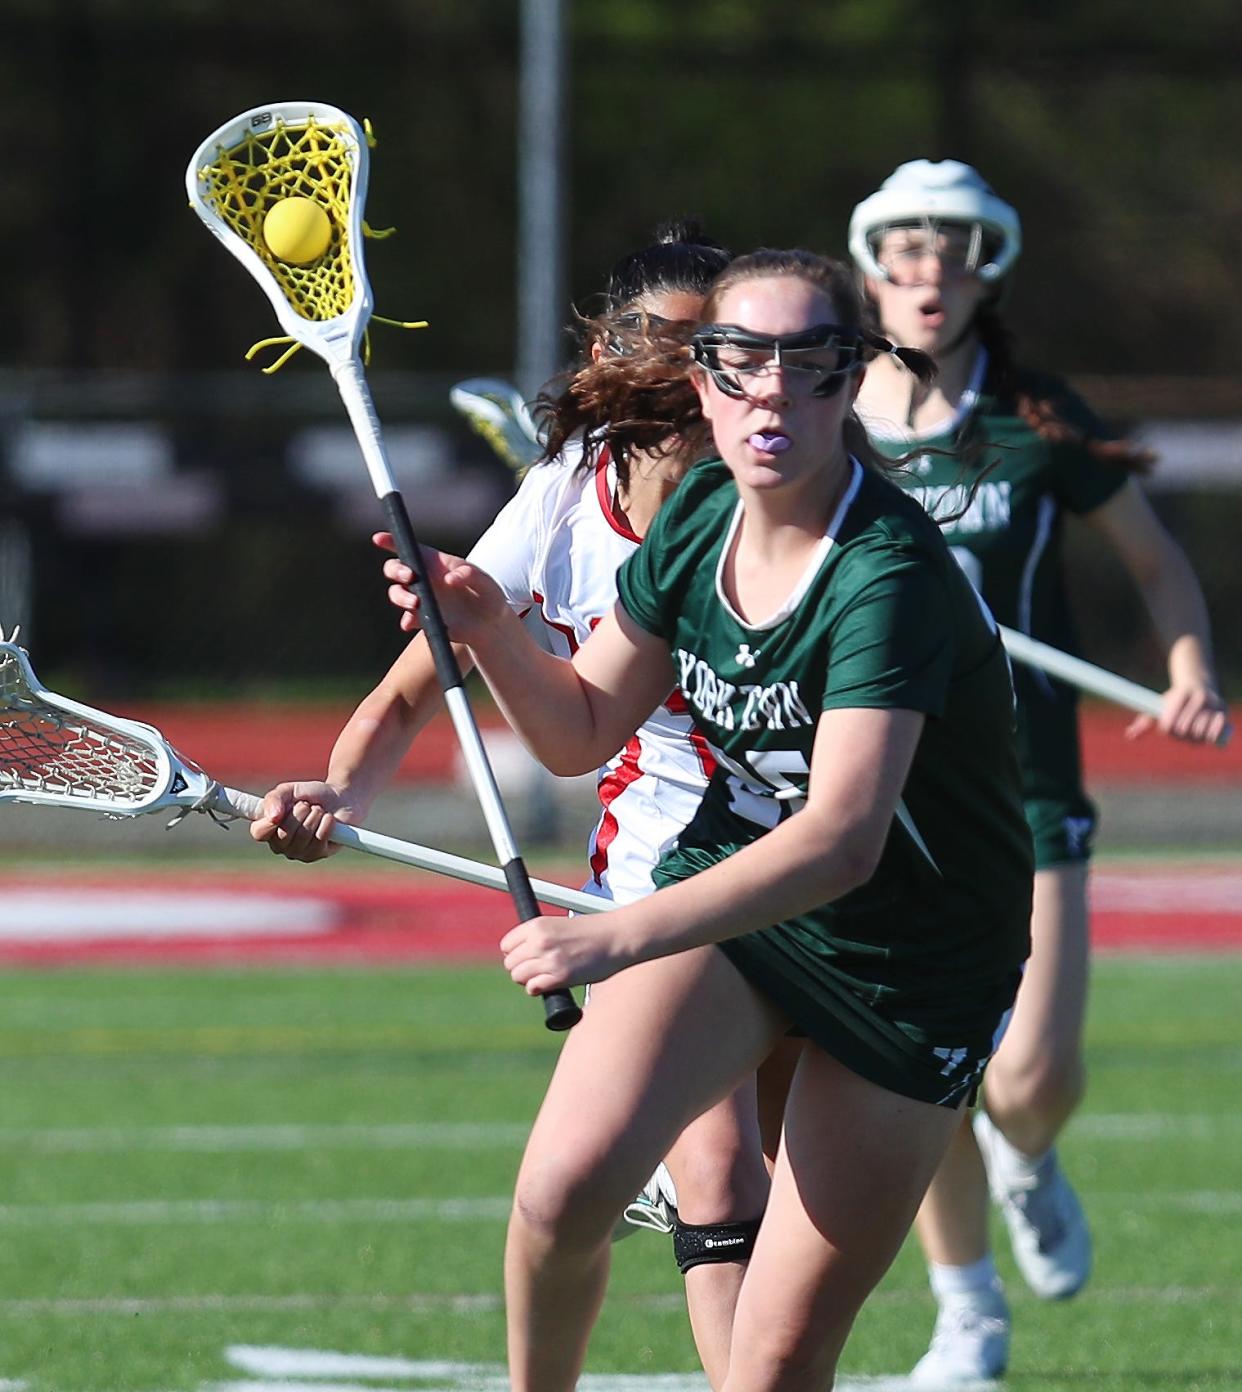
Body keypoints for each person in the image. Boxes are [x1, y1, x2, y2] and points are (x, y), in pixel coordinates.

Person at [378, 248, 1035, 1391]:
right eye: (740, 364)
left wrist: (615, 935)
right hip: (743, 900)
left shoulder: (888, 575)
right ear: (703, 381)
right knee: (562, 1191)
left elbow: (841, 840)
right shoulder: (702, 522)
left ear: (850, 381)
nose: (771, 392)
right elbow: (581, 727)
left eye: (809, 364)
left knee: (772, 1368)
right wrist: (488, 628)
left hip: (913, 963)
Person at [251, 221, 784, 1389]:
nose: (702, 382)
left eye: (727, 353)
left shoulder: (783, 488)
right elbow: (412, 696)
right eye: (675, 348)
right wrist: (335, 789)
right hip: (667, 865)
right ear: (615, 347)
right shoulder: (563, 499)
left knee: (777, 1194)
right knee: (710, 1176)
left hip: (813, 868)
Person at [848, 158, 1231, 1384]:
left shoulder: (1035, 420)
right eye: (905, 253)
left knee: (1030, 1079)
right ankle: (969, 1314)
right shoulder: (826, 423)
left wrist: (1189, 670)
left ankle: (1032, 1156)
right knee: (922, 1068)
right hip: (873, 795)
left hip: (1028, 784)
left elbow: (1160, 564)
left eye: (949, 253)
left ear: (983, 273)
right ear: (873, 271)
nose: (927, 275)